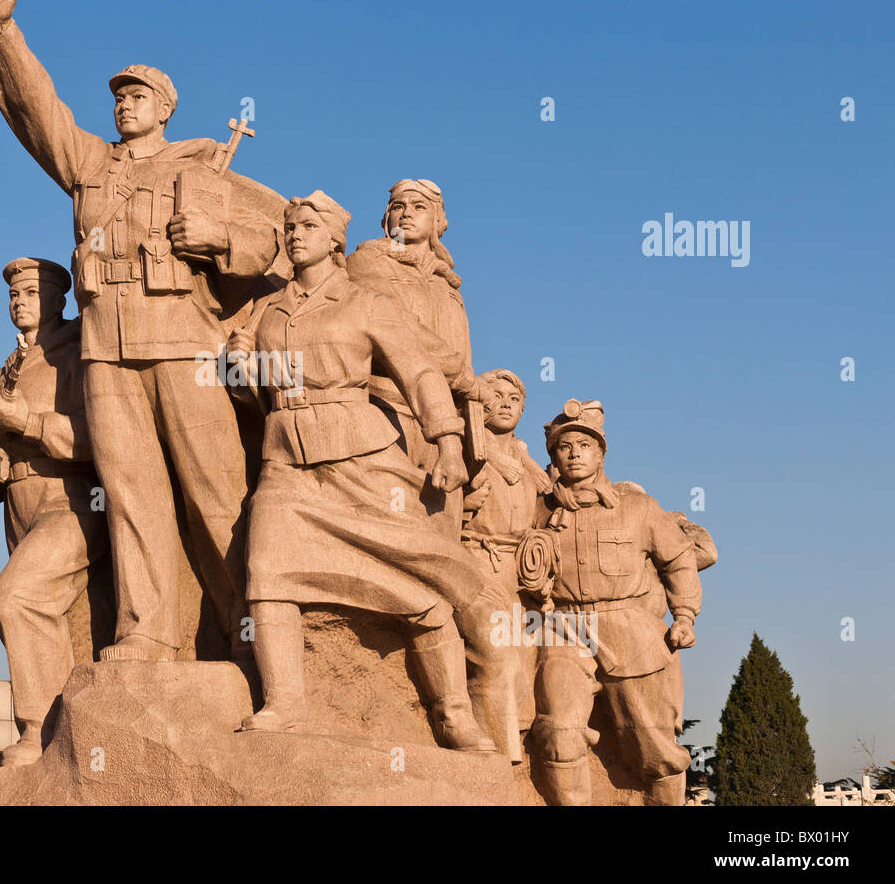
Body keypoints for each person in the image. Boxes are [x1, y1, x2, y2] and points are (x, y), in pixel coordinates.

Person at [0, 0, 283, 660]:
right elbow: (37, 112)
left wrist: (218, 237)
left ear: (165, 108)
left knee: (216, 491)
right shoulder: (89, 167)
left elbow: (271, 238)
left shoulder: (198, 167)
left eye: (138, 96)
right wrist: (7, 33)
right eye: (119, 96)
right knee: (131, 494)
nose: (124, 104)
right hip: (106, 347)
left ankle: (251, 634)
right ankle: (149, 633)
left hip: (182, 343)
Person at [226, 191, 502, 751]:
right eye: (289, 226)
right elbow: (245, 374)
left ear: (335, 240)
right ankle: (285, 702)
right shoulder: (266, 310)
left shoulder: (364, 300)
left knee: (419, 579)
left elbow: (420, 372)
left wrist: (447, 441)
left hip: (361, 454)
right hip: (286, 457)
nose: (294, 234)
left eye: (307, 225)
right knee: (267, 568)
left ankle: (453, 714)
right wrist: (236, 359)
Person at [0, 258, 107, 766]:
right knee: (37, 612)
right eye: (13, 294)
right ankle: (63, 727)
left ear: (58, 299)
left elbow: (106, 435)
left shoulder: (82, 351)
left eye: (30, 292)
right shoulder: (8, 368)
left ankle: (39, 727)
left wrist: (29, 421)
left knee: (16, 596)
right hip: (18, 507)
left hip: (72, 501)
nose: (18, 301)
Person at [519, 400, 702, 804]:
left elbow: (678, 559)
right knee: (559, 734)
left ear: (601, 454)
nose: (574, 454)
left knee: (656, 751)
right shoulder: (537, 511)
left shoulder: (637, 508)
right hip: (564, 629)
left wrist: (684, 615)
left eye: (584, 446)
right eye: (564, 447)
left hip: (631, 631)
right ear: (554, 457)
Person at [347, 179, 472, 537]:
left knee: (444, 537)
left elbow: (462, 350)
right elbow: (405, 331)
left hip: (444, 423)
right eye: (399, 207)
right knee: (391, 530)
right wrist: (464, 378)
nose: (407, 214)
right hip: (387, 411)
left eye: (419, 207)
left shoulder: (447, 284)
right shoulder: (365, 263)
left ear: (438, 222)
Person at [457, 368, 553, 760]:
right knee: (496, 654)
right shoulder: (467, 447)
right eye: (495, 396)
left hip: (519, 572)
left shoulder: (524, 456)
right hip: (476, 558)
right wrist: (463, 506)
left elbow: (549, 505)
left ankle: (512, 753)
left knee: (521, 667)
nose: (505, 404)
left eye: (514, 399)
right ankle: (493, 756)